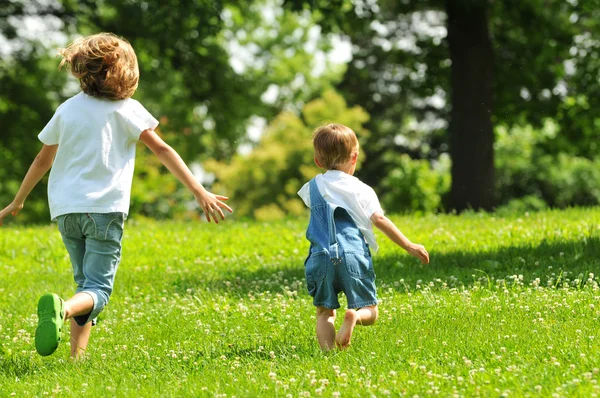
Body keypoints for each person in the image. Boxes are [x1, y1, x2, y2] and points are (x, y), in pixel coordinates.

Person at [0, 33, 232, 359]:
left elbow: (42, 160)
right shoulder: (126, 109)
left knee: (85, 284)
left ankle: (76, 359)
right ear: (125, 71)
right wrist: (199, 190)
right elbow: (163, 150)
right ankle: (62, 309)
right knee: (98, 289)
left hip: (66, 211)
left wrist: (18, 200)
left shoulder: (67, 109)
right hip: (104, 211)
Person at [298, 123, 430, 351]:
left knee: (324, 312)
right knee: (370, 309)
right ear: (354, 157)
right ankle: (355, 317)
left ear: (318, 162)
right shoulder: (362, 189)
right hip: (353, 255)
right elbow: (379, 220)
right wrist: (408, 245)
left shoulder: (312, 187)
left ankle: (329, 356)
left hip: (320, 257)